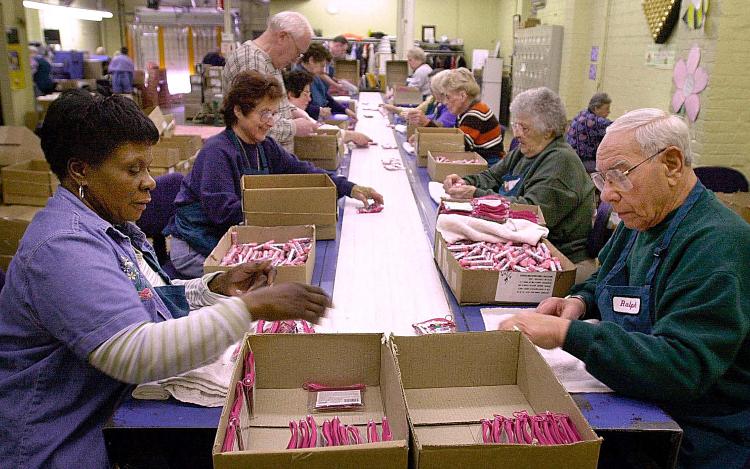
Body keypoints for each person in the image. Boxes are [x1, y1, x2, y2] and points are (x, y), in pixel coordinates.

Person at [0, 90, 330, 468]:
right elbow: (135, 353)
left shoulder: (105, 224)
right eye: (132, 170)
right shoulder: (64, 247)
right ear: (80, 171)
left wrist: (214, 287)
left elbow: (141, 295)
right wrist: (248, 308)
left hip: (107, 409)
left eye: (148, 168)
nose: (149, 183)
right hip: (63, 438)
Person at [499, 108, 750, 469]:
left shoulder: (716, 246)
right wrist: (581, 302)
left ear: (672, 164)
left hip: (696, 428)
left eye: (619, 176)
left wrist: (568, 334)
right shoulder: (645, 217)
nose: (607, 197)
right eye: (603, 180)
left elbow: (683, 367)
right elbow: (608, 276)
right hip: (637, 395)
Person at [165, 71, 383, 278]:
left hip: (235, 239)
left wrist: (349, 187)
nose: (270, 121)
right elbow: (224, 213)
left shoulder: (264, 146)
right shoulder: (217, 152)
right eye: (264, 113)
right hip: (197, 246)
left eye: (274, 113)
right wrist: (288, 206)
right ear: (238, 111)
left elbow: (305, 172)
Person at [443, 87, 594, 266]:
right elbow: (492, 176)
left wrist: (475, 194)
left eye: (524, 128)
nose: (516, 133)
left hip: (555, 254)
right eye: (516, 125)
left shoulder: (560, 162)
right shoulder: (526, 150)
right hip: (517, 237)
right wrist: (464, 182)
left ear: (549, 132)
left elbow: (530, 212)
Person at [222, 11, 319, 152]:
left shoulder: (269, 61)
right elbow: (253, 124)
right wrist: (294, 127)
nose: (295, 60)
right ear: (282, 37)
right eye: (297, 52)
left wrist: (295, 112)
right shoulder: (252, 63)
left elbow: (274, 107)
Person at [284, 69, 372, 147]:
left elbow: (319, 127)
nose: (309, 99)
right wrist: (353, 136)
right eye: (305, 94)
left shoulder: (296, 111)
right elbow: (319, 128)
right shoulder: (295, 112)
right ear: (291, 94)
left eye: (309, 94)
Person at [441, 67, 504, 165]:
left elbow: (460, 146)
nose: (445, 102)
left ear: (462, 96)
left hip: (490, 164)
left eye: (448, 97)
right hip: (479, 158)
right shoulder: (464, 112)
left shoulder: (475, 114)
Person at [292, 43, 357, 123]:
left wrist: (345, 110)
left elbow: (325, 96)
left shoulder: (313, 75)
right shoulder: (297, 78)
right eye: (322, 66)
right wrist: (319, 111)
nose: (323, 70)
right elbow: (297, 107)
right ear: (311, 60)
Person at [567, 92, 613, 173]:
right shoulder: (593, 121)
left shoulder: (583, 113)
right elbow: (615, 127)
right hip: (581, 161)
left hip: (571, 157)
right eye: (607, 108)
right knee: (608, 171)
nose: (609, 112)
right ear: (596, 108)